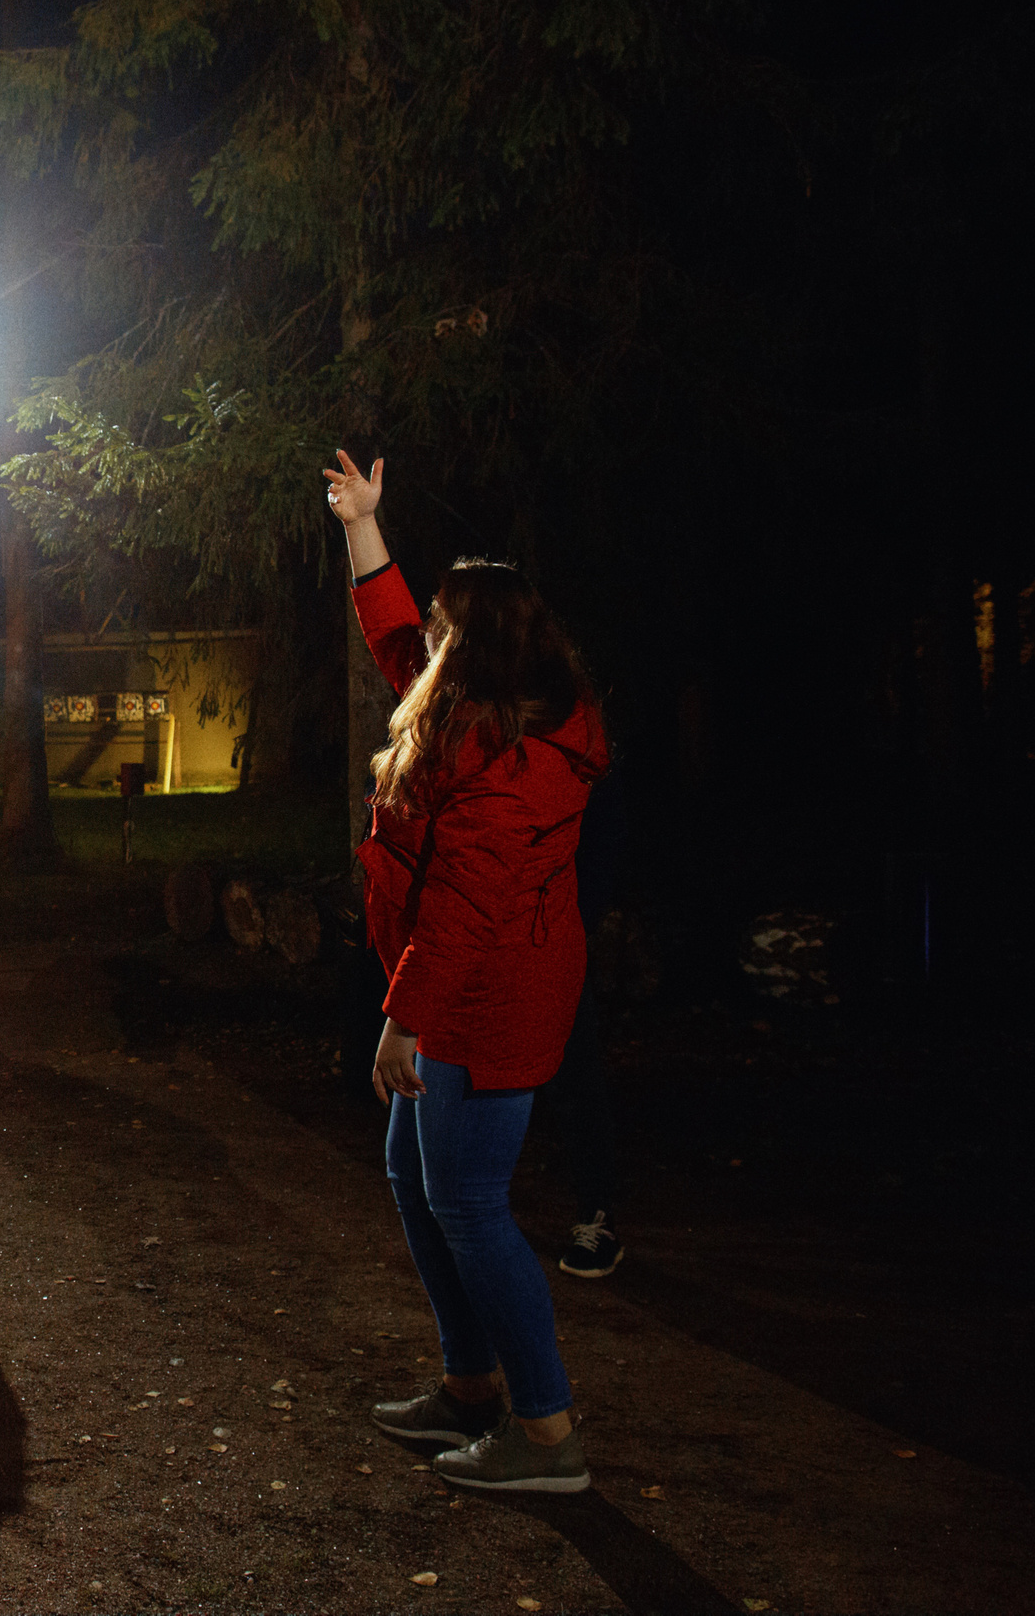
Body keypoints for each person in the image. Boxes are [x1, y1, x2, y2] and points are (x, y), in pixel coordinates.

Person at [325, 448, 608, 1494]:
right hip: (456, 988)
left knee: (472, 1205)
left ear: (475, 644)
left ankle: (546, 1430)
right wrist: (363, 524)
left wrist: (403, 1020)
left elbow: (463, 907)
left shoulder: (515, 756)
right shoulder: (472, 703)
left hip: (487, 1000)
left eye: (445, 625)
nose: (429, 639)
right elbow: (396, 639)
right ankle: (469, 1384)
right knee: (416, 1179)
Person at [547, 768, 628, 1277]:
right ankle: (473, 1210)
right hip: (504, 925)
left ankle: (597, 1215)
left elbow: (605, 828)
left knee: (574, 1072)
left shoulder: (576, 743)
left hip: (555, 929)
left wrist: (576, 915)